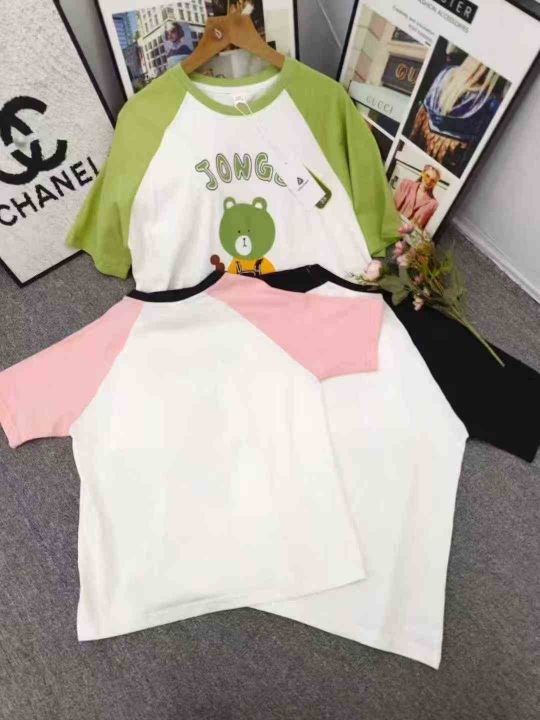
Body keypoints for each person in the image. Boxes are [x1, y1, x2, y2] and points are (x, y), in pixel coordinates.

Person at [394, 164, 440, 230]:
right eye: (427, 176)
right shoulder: (406, 184)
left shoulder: (433, 204)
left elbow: (423, 229)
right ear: (422, 173)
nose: (428, 181)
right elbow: (392, 205)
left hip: (406, 234)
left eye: (433, 181)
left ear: (435, 184)